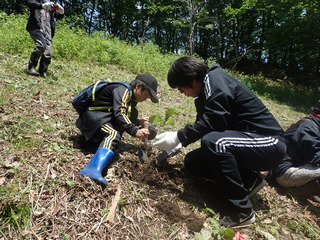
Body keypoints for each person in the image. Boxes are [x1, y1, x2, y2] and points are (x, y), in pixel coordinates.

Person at [153, 57, 286, 227]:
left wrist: (179, 136)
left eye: (181, 88)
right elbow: (203, 127)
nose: (182, 93)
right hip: (245, 143)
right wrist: (177, 146)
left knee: (216, 143)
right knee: (192, 162)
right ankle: (249, 181)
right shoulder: (204, 96)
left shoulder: (216, 79)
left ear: (193, 80)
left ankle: (243, 213)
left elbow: (214, 122)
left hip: (269, 143)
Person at [75, 74, 159, 187]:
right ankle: (92, 169)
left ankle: (94, 146)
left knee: (115, 133)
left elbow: (122, 114)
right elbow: (119, 112)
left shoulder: (128, 97)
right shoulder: (123, 90)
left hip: (102, 119)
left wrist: (138, 122)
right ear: (138, 86)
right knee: (113, 134)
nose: (145, 99)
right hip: (93, 119)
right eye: (146, 95)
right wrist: (134, 131)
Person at [272, 100, 320, 202]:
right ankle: (297, 192)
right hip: (285, 174)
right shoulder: (309, 127)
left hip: (299, 168)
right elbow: (316, 157)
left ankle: (308, 190)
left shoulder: (315, 124)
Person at [26, 0, 65, 77]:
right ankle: (31, 67)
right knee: (41, 45)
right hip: (36, 27)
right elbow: (31, 4)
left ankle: (43, 71)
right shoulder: (36, 2)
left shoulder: (51, 7)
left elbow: (59, 16)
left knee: (48, 52)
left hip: (48, 31)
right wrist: (44, 6)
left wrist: (61, 10)